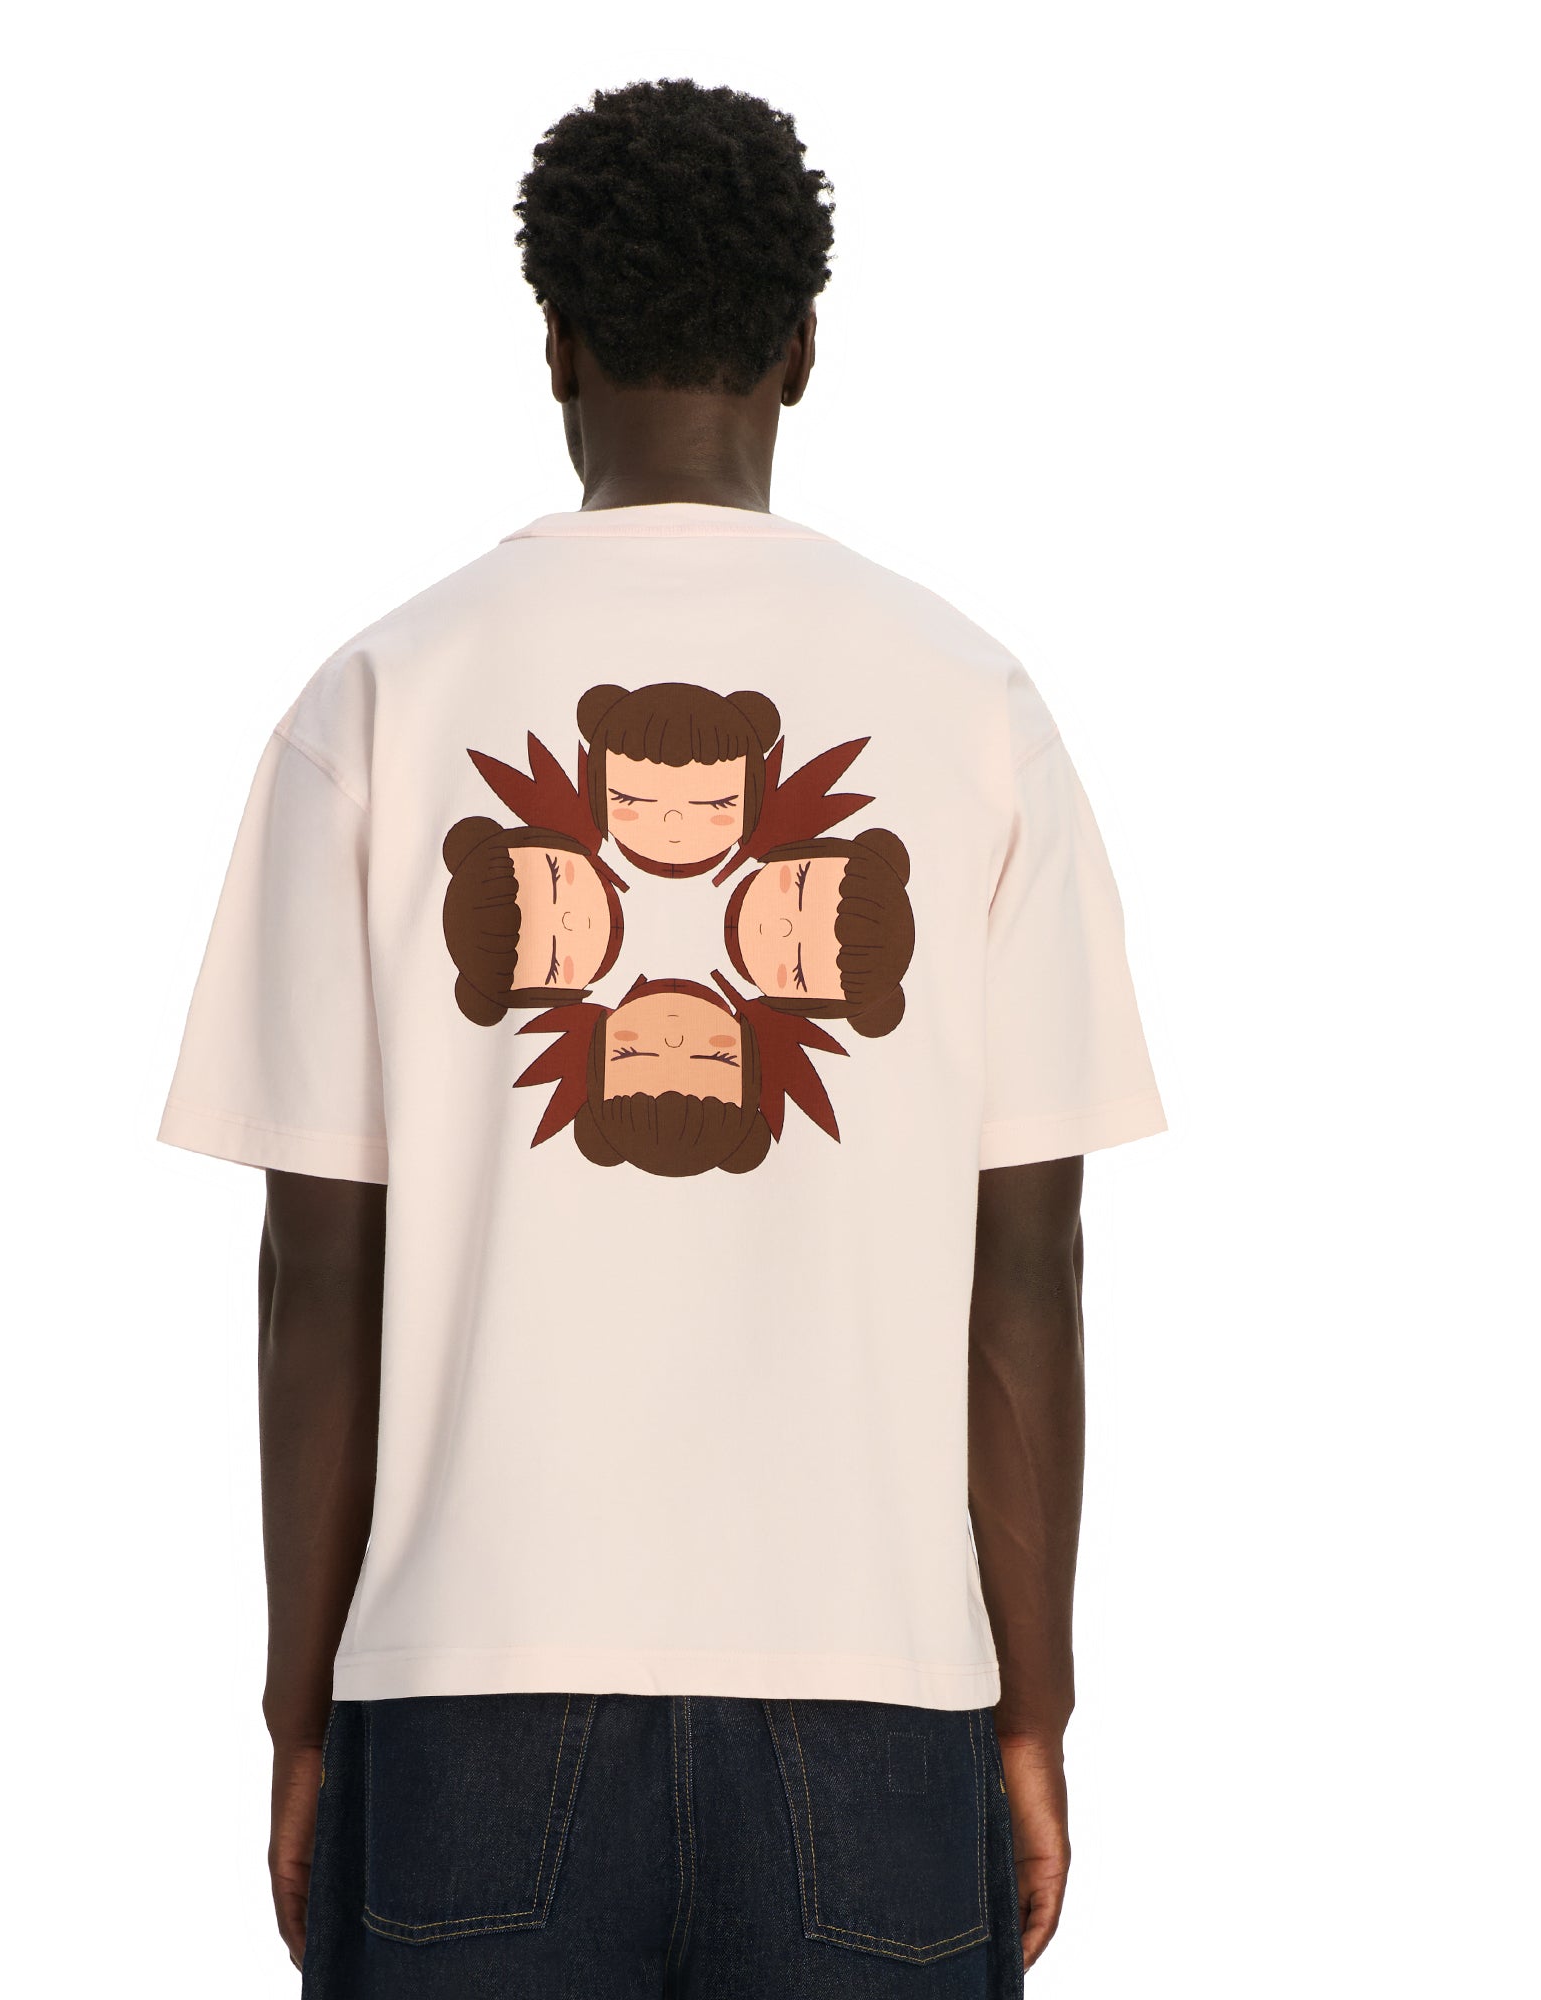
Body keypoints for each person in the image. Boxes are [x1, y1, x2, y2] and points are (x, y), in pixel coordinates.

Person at [160, 77, 1163, 1999]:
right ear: (804, 347)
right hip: (877, 1701)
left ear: (553, 339)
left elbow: (320, 1272)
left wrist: (301, 1709)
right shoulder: (973, 706)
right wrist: (1031, 1705)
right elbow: (1026, 1264)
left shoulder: (379, 697)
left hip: (464, 1695)